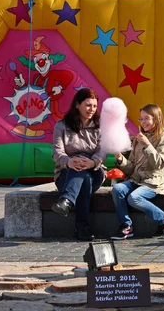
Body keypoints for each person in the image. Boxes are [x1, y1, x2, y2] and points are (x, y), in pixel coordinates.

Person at [111, 104, 164, 240]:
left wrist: (148, 145)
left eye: (147, 118)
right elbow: (131, 167)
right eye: (141, 119)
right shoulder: (138, 139)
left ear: (156, 119)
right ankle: (126, 225)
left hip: (153, 182)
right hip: (135, 180)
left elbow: (159, 164)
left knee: (134, 198)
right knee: (117, 189)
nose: (143, 122)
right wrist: (120, 158)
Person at [51, 88, 106, 241]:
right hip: (66, 173)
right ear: (77, 105)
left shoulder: (100, 126)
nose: (92, 110)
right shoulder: (61, 126)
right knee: (85, 180)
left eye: (94, 106)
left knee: (87, 173)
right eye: (88, 105)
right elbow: (57, 153)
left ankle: (66, 201)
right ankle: (83, 229)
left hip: (94, 170)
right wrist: (69, 162)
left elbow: (102, 152)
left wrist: (92, 162)